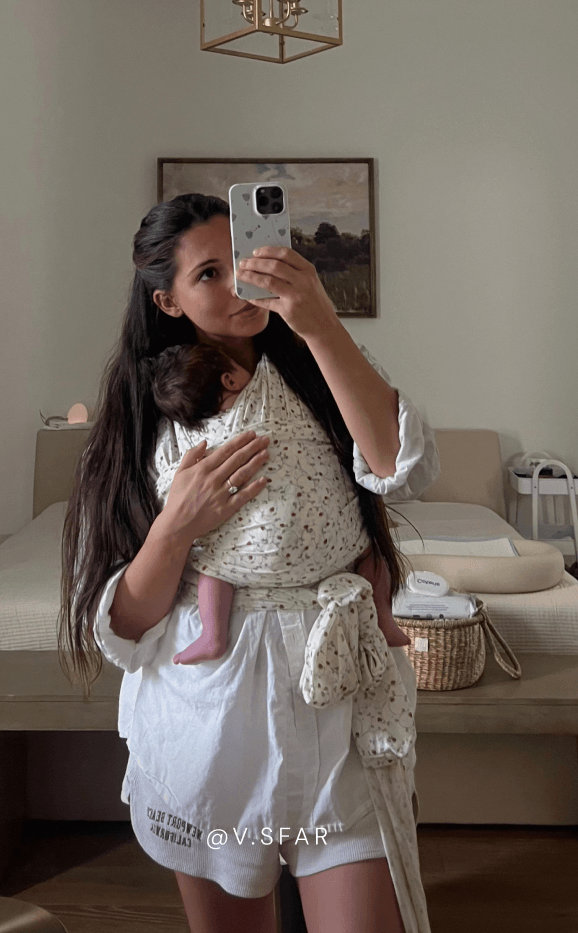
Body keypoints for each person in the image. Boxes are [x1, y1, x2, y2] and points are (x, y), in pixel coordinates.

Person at [58, 193, 440, 933]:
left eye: (245, 260)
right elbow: (124, 625)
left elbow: (402, 466)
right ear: (167, 300)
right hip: (212, 722)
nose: (239, 284)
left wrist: (320, 319)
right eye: (210, 273)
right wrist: (174, 529)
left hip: (338, 711)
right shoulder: (147, 409)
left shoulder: (319, 362)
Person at [145, 342, 410, 665]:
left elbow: (171, 482)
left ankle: (212, 635)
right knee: (372, 552)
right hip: (335, 545)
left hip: (240, 562)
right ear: (229, 380)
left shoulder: (190, 436)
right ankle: (382, 616)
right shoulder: (286, 391)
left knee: (212, 569)